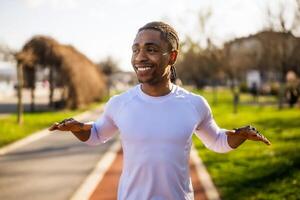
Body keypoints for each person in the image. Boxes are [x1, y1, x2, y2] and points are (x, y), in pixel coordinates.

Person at [49, 21, 271, 200]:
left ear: (172, 56)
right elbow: (97, 134)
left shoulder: (194, 104)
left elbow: (218, 141)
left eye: (151, 49)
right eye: (135, 49)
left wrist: (239, 135)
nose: (140, 57)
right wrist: (78, 128)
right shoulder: (120, 103)